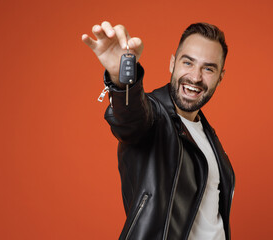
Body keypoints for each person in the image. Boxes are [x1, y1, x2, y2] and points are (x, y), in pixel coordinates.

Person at [82, 21, 235, 240]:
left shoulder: (209, 136)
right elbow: (130, 118)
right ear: (172, 63)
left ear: (220, 77)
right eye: (188, 62)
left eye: (208, 68)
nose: (195, 77)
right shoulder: (154, 117)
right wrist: (123, 78)